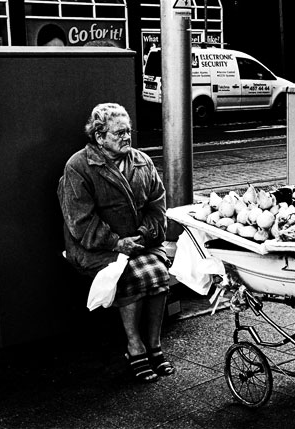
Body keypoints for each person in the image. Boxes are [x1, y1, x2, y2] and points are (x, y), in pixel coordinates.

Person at [57, 103, 175, 383]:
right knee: (132, 274)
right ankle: (135, 347)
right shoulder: (79, 166)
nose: (127, 137)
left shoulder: (141, 161)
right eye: (119, 133)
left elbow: (158, 204)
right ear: (99, 137)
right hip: (96, 248)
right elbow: (79, 221)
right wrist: (116, 243)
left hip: (140, 242)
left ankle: (155, 345)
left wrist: (145, 235)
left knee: (159, 273)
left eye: (129, 131)